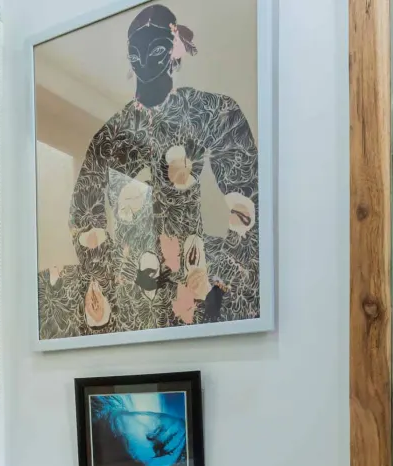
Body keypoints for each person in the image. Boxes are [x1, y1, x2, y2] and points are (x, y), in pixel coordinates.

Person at [39, 3, 260, 338]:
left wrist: (217, 272)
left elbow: (247, 197)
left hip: (195, 269)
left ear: (173, 48)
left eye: (155, 49)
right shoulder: (110, 137)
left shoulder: (210, 110)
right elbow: (85, 215)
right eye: (134, 53)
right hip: (135, 285)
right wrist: (119, 272)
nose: (143, 61)